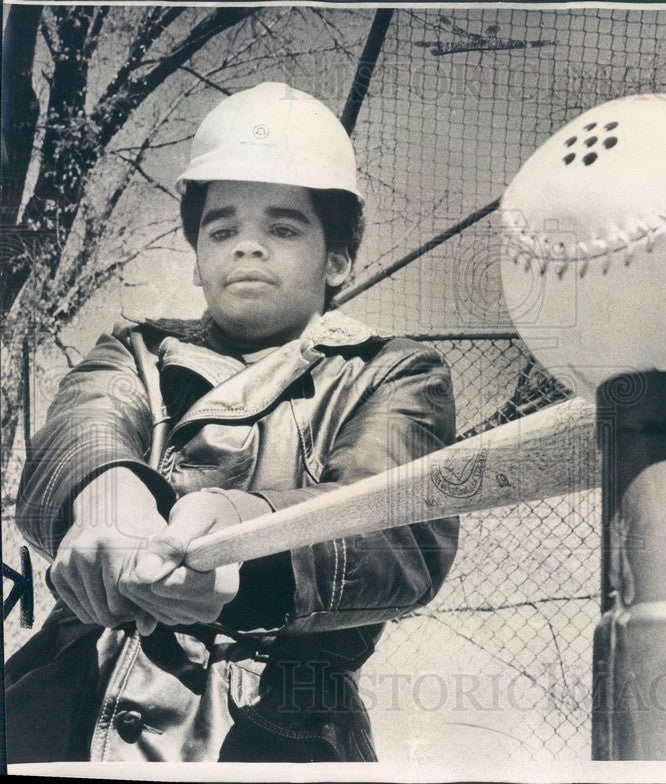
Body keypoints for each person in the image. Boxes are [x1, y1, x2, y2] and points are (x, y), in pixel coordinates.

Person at [4, 82, 460, 763]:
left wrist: (240, 530)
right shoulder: (136, 352)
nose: (247, 246)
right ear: (196, 257)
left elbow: (397, 526)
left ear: (338, 257)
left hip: (276, 733)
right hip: (60, 710)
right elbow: (84, 423)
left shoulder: (392, 372)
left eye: (282, 227)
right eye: (222, 228)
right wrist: (105, 499)